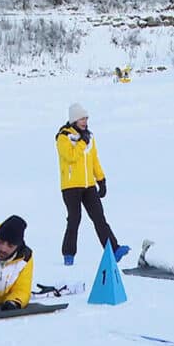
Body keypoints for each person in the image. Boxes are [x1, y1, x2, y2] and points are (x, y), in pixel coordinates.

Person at [56, 103, 129, 265]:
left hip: (89, 185)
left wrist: (101, 180)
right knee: (74, 219)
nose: (85, 121)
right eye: (82, 118)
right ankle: (68, 254)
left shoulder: (89, 136)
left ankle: (113, 249)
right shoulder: (63, 137)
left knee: (99, 217)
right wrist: (82, 142)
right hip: (71, 186)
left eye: (86, 118)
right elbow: (70, 157)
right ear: (74, 119)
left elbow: (94, 159)